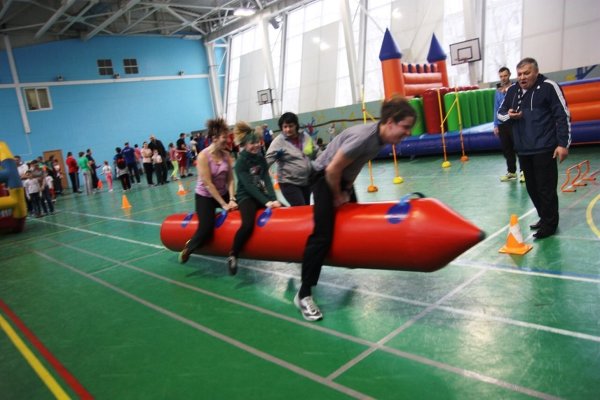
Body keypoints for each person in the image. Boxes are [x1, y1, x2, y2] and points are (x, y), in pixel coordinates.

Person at [296, 96, 416, 321]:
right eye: (405, 127)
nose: (408, 132)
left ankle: (342, 256)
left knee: (355, 223)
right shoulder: (364, 138)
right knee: (322, 235)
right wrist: (337, 195)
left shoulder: (380, 139)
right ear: (390, 122)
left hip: (341, 178)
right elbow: (332, 169)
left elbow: (353, 165)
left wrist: (348, 188)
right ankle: (304, 293)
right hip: (323, 176)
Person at [497, 57, 570, 239]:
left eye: (527, 73)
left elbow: (562, 115)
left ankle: (550, 225)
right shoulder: (512, 90)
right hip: (523, 149)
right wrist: (510, 116)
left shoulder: (549, 87)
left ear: (536, 72)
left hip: (545, 147)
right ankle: (544, 217)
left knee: (546, 188)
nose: (522, 77)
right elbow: (500, 114)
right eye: (520, 74)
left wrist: (563, 144)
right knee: (532, 188)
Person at [178, 118, 237, 265]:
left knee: (242, 205)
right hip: (205, 196)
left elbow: (230, 179)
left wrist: (232, 199)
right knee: (206, 229)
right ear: (215, 138)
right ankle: (188, 248)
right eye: (224, 137)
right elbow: (208, 184)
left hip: (223, 192)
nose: (227, 140)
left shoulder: (226, 155)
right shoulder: (203, 156)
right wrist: (224, 204)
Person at [228, 122, 282, 275]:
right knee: (247, 225)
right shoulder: (240, 163)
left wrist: (273, 198)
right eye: (252, 143)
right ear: (244, 145)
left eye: (257, 142)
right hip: (246, 197)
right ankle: (233, 254)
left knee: (282, 209)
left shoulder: (260, 158)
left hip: (260, 194)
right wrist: (267, 202)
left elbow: (266, 178)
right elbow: (249, 186)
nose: (256, 145)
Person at [265, 112, 318, 206]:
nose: (288, 129)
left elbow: (316, 151)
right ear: (281, 128)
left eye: (291, 126)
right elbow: (267, 160)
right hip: (288, 182)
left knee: (306, 207)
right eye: (285, 127)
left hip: (306, 181)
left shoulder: (305, 136)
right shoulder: (278, 142)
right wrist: (274, 157)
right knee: (300, 207)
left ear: (296, 126)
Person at [493, 67, 523, 183]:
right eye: (501, 76)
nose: (503, 78)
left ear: (509, 75)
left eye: (505, 75)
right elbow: (496, 107)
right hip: (502, 124)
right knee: (507, 149)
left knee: (519, 147)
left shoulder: (515, 88)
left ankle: (523, 172)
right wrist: (495, 125)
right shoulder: (497, 91)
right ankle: (511, 172)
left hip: (514, 122)